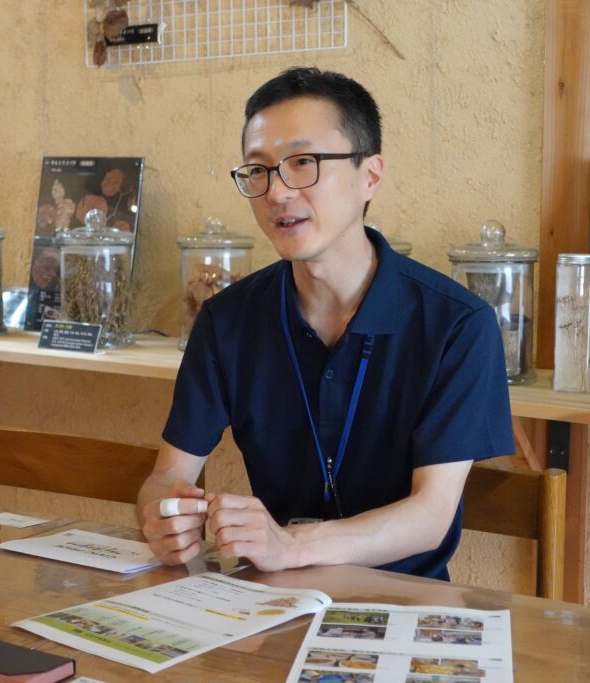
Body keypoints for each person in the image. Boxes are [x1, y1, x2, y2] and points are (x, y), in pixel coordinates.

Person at [138, 67, 513, 580]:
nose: (277, 192)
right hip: (272, 602)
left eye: (303, 163)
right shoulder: (228, 319)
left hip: (403, 602)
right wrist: (163, 516)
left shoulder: (456, 325)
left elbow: (430, 516)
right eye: (259, 170)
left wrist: (290, 544)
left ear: (370, 176)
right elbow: (166, 476)